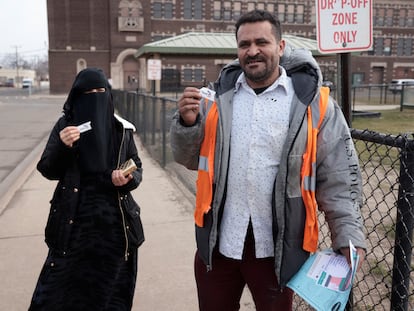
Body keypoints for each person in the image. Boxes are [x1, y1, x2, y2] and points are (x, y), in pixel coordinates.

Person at [170, 10, 366, 311]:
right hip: (217, 247)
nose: (252, 51)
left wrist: (348, 236)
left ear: (281, 46)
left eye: (262, 42)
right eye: (244, 44)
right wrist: (186, 124)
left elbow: (339, 177)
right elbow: (188, 159)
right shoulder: (217, 99)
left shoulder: (315, 102)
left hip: (277, 251)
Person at [29, 68, 144, 311]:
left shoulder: (121, 129)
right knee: (59, 293)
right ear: (76, 96)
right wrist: (63, 146)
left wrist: (126, 178)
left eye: (100, 91)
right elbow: (48, 169)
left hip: (115, 227)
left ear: (108, 94)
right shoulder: (65, 125)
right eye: (87, 92)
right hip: (74, 224)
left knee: (110, 295)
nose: (94, 97)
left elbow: (137, 168)